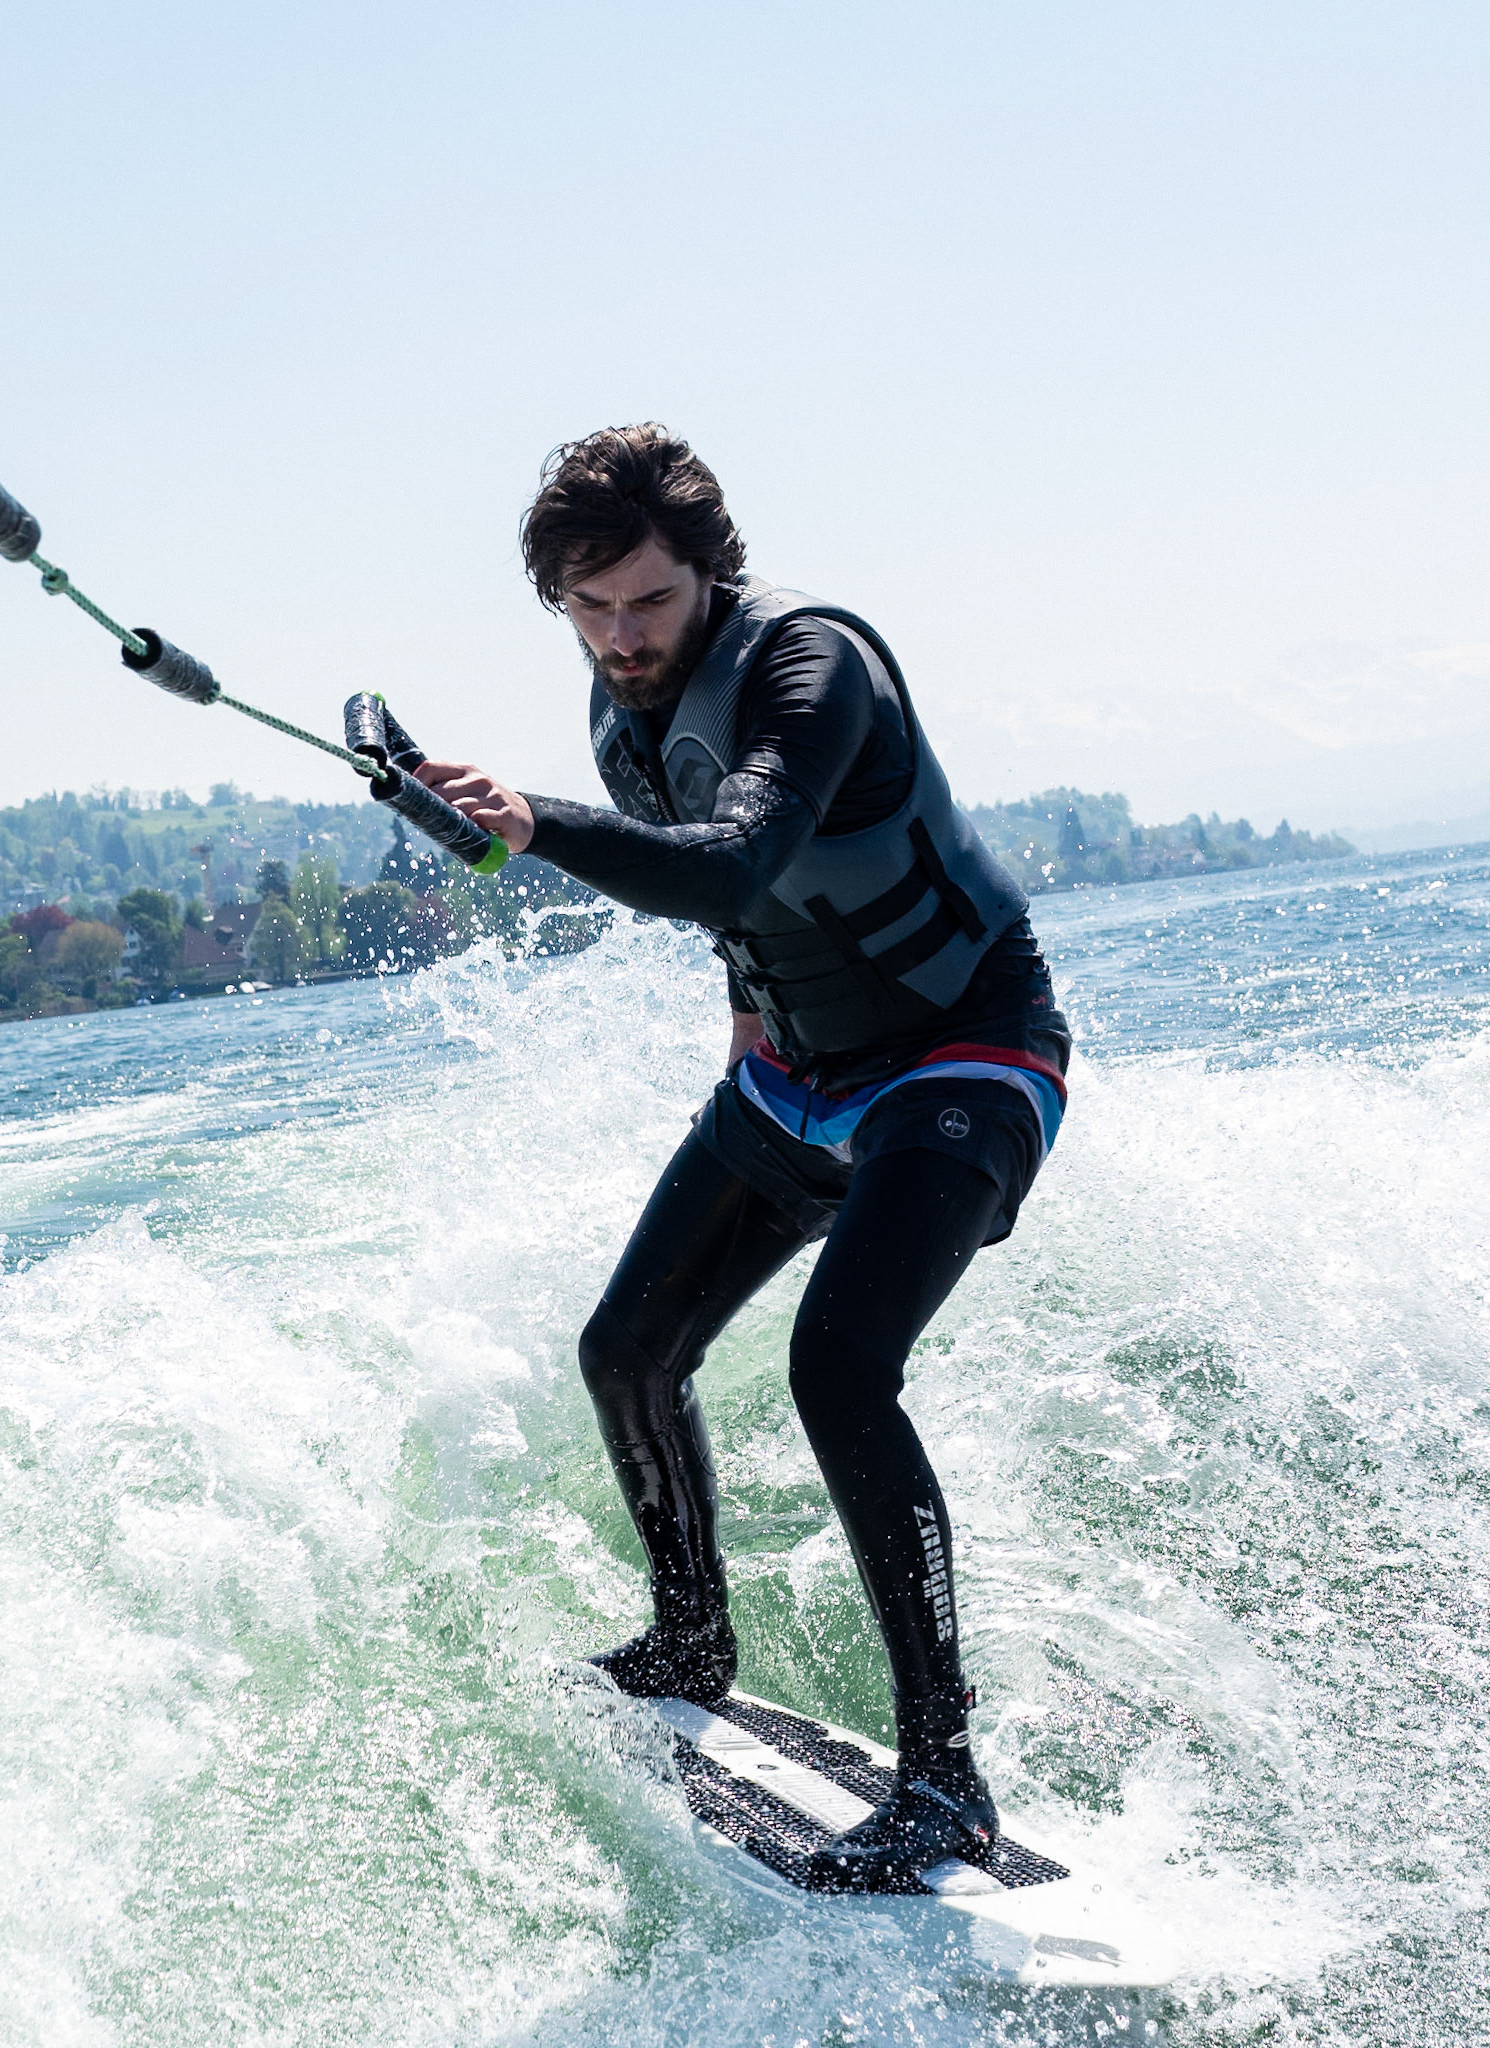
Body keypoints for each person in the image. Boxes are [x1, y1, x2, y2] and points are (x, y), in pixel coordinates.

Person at [412, 425, 1070, 1891]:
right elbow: (736, 919)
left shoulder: (811, 665)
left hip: (965, 1047)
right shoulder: (621, 697)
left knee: (837, 1367)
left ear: (707, 569)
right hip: (792, 1072)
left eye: (645, 602)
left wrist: (527, 824)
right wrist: (745, 1047)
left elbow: (733, 859)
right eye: (588, 612)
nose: (620, 637)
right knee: (627, 1349)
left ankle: (943, 1786)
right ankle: (692, 1637)